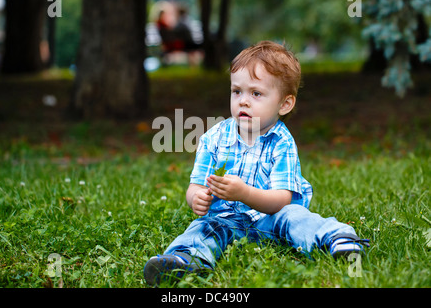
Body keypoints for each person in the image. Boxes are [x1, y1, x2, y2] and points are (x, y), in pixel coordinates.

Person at [143, 40, 369, 286]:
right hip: (226, 218)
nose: (243, 101)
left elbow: (281, 199)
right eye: (237, 91)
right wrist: (196, 198)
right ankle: (184, 260)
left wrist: (245, 193)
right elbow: (196, 185)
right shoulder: (214, 138)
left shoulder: (281, 142)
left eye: (256, 93)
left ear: (284, 104)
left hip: (270, 219)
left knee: (295, 216)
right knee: (203, 227)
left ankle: (338, 239)